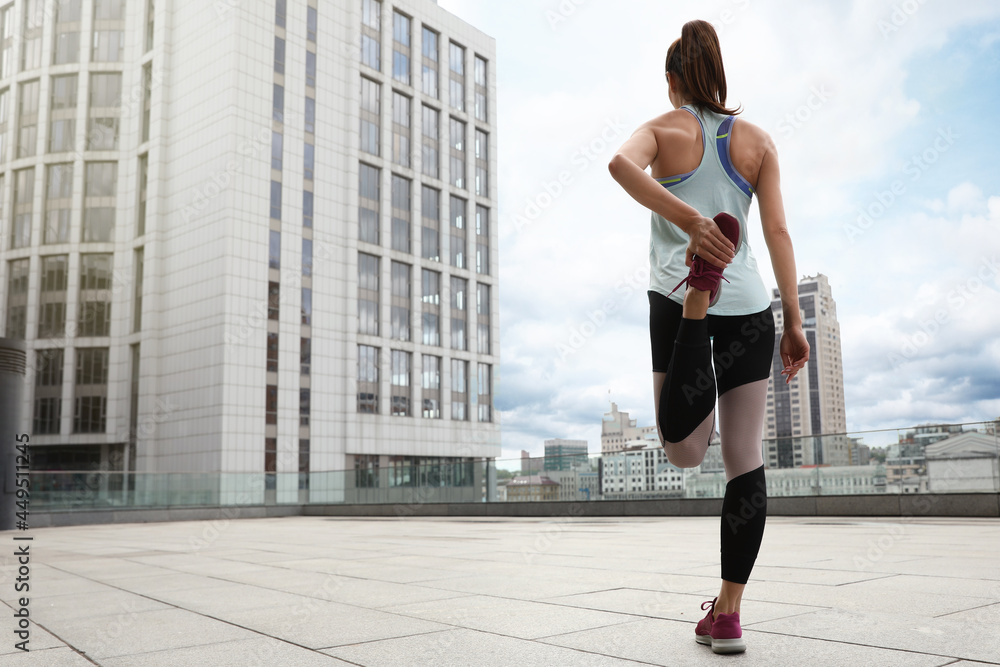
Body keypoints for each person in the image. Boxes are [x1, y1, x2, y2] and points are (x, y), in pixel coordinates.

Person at [608, 19, 810, 655]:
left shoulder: (661, 129)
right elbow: (776, 232)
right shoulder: (758, 142)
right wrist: (795, 319)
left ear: (673, 81)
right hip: (752, 306)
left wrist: (690, 222)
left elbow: (619, 164)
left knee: (684, 452)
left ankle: (699, 298)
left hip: (678, 299)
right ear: (720, 76)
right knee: (744, 459)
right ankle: (727, 614)